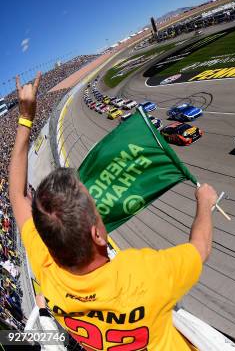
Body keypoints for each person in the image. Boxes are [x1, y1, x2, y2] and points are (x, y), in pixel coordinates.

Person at [9, 72, 217, 350]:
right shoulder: (142, 275)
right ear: (96, 234)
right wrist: (205, 203)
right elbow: (200, 248)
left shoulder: (48, 273)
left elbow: (16, 195)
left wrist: (24, 120)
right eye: (95, 207)